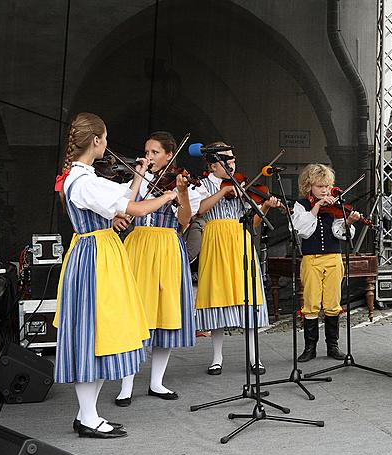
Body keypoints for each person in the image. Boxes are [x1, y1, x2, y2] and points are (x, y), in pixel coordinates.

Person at [53, 112, 177, 438]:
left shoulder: (83, 178)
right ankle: (88, 418)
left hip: (100, 253)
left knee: (102, 333)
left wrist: (138, 177)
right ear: (96, 141)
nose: (107, 144)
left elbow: (123, 198)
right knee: (94, 335)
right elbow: (131, 208)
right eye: (105, 138)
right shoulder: (83, 182)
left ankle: (88, 415)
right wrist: (165, 196)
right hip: (95, 257)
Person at [112, 132, 205, 406]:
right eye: (147, 151)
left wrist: (183, 192)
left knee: (164, 314)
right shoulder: (139, 181)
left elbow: (185, 220)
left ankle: (156, 382)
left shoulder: (180, 183)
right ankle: (126, 384)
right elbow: (128, 206)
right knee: (136, 315)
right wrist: (140, 175)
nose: (149, 157)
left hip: (166, 246)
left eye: (154, 153)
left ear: (169, 155)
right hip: (139, 245)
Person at [195, 143, 281, 375]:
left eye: (233, 160)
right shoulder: (203, 185)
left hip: (239, 240)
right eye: (226, 161)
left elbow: (252, 223)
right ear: (213, 165)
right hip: (215, 240)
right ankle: (216, 357)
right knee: (217, 295)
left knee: (248, 295)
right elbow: (200, 210)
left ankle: (254, 357)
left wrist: (264, 206)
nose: (232, 164)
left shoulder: (242, 186)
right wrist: (223, 192)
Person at [292, 164, 361, 362]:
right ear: (309, 186)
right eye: (320, 186)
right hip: (311, 259)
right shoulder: (301, 205)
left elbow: (340, 234)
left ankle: (333, 346)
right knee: (311, 303)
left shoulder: (336, 206)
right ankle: (309, 348)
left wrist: (348, 222)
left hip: (333, 258)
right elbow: (302, 230)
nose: (325, 190)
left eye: (327, 186)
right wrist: (316, 207)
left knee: (333, 302)